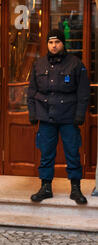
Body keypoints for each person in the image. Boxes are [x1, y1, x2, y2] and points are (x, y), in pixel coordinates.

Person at [28, 29, 90, 205]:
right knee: (46, 153)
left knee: (72, 153)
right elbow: (31, 91)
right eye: (50, 42)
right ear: (47, 44)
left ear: (63, 43)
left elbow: (84, 92)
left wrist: (79, 115)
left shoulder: (76, 64)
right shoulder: (38, 64)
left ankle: (76, 189)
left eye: (57, 42)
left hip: (69, 117)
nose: (53, 46)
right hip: (46, 117)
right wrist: (32, 113)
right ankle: (45, 188)